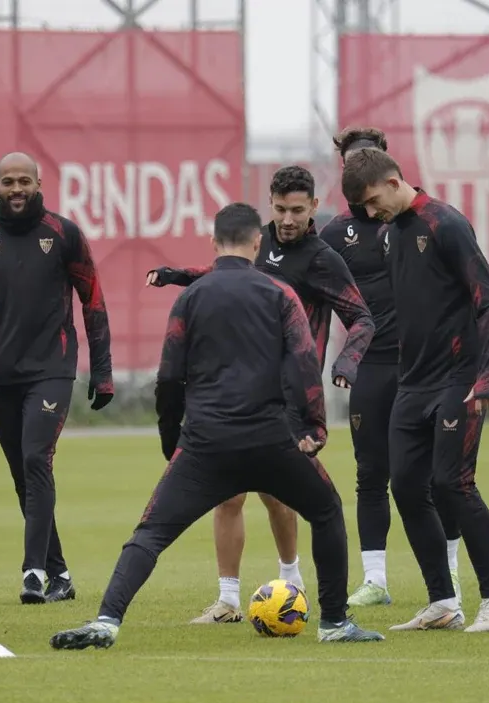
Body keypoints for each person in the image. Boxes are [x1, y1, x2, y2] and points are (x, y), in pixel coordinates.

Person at [50, 202, 385, 650]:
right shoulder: (279, 295)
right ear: (256, 242)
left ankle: (106, 621)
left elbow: (169, 378)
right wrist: (313, 429)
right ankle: (335, 623)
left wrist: (173, 442)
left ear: (213, 243)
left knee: (150, 533)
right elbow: (304, 365)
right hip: (271, 441)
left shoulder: (191, 297)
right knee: (326, 511)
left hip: (205, 445)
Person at [146, 165, 375, 624]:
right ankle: (228, 600)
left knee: (277, 496)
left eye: (297, 210)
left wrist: (346, 363)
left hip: (291, 396)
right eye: (280, 209)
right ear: (269, 205)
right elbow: (217, 273)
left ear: (313, 207)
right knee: (227, 496)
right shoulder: (258, 241)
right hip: (243, 389)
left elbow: (363, 318)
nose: (288, 219)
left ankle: (291, 582)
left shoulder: (322, 259)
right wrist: (176, 274)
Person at [340, 148, 489, 633]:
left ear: (395, 181)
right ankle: (443, 601)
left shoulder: (446, 224)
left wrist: (488, 376)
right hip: (411, 381)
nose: (371, 213)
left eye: (374, 201)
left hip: (459, 379)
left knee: (452, 484)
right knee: (405, 487)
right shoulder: (390, 236)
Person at [321, 126, 464, 607]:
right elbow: (313, 299)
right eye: (350, 164)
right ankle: (376, 580)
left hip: (426, 365)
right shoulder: (335, 234)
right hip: (372, 366)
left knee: (439, 478)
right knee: (370, 473)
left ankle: (449, 575)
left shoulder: (415, 222)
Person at [0, 152, 114, 605]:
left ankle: (33, 574)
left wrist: (102, 371)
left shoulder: (64, 234)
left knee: (35, 459)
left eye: (23, 181)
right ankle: (61, 574)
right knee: (22, 477)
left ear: (38, 182)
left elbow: (93, 300)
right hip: (3, 375)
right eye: (8, 181)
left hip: (52, 368)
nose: (16, 189)